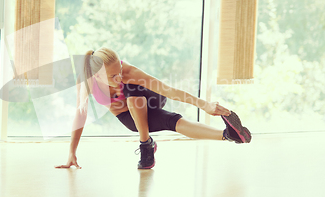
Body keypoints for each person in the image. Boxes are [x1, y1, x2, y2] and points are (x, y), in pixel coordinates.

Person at [55, 47, 251, 170]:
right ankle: (228, 135)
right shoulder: (87, 80)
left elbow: (169, 90)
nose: (119, 78)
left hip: (152, 99)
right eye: (113, 76)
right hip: (129, 117)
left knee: (131, 89)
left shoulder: (129, 74)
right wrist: (71, 152)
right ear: (96, 75)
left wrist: (205, 104)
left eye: (119, 72)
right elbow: (80, 113)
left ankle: (145, 145)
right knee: (172, 121)